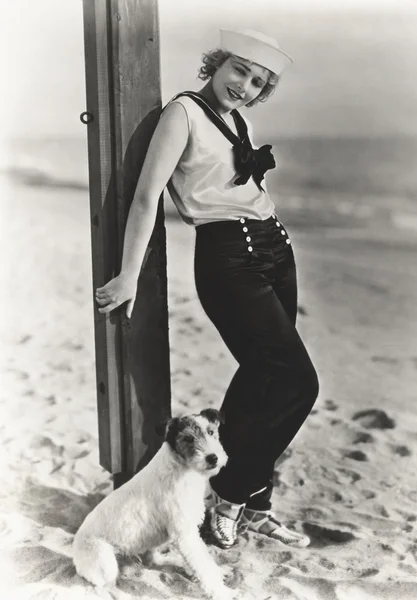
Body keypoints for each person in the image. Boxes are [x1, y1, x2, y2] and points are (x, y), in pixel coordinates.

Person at [95, 28, 319, 550]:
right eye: (239, 70)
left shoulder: (237, 119)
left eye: (257, 81)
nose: (244, 85)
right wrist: (129, 273)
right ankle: (234, 491)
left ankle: (255, 505)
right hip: (229, 259)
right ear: (217, 64)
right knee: (299, 384)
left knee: (262, 378)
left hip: (274, 249)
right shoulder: (184, 113)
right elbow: (147, 195)